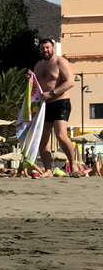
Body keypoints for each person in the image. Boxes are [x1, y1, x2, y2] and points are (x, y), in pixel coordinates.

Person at [34, 38, 81, 177]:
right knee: (42, 139)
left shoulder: (60, 62)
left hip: (60, 101)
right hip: (44, 105)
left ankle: (73, 165)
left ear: (53, 48)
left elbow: (70, 82)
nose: (45, 50)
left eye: (47, 47)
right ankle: (48, 169)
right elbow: (35, 85)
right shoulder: (38, 65)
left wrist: (52, 92)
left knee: (61, 135)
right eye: (43, 48)